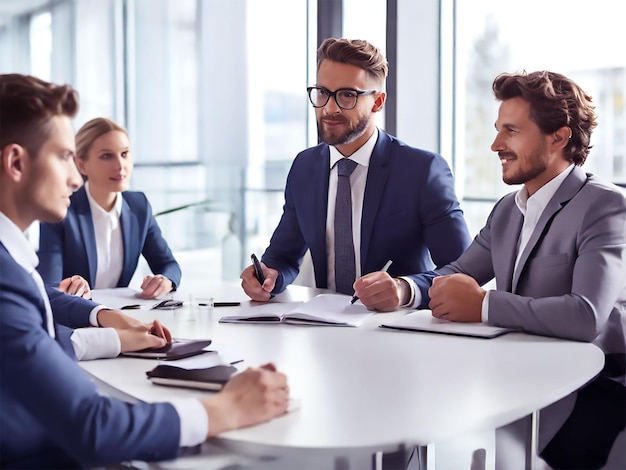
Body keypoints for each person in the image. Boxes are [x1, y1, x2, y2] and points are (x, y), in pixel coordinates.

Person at [0, 73, 289, 468]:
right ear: (16, 162)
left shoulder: (11, 262)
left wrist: (115, 336)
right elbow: (93, 428)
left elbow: (37, 331)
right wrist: (226, 409)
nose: (73, 177)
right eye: (65, 157)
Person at [364, 70, 626, 469]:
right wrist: (404, 290)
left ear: (559, 137)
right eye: (497, 130)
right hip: (520, 379)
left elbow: (587, 315)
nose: (495, 144)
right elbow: (457, 271)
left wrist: (484, 305)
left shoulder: (604, 207)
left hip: (591, 392)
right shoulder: (508, 209)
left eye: (512, 131)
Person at [240, 37, 471, 309]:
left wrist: (405, 290)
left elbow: (464, 271)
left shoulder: (422, 171)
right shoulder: (304, 167)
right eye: (323, 92)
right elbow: (283, 256)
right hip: (322, 330)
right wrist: (268, 277)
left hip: (398, 331)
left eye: (347, 95)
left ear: (378, 102)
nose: (329, 108)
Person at [37, 117, 181, 300]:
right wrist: (70, 286)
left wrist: (165, 280)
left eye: (125, 154)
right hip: (73, 319)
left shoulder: (139, 206)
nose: (120, 165)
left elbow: (168, 264)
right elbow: (49, 285)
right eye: (107, 156)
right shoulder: (61, 210)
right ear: (81, 164)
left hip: (122, 315)